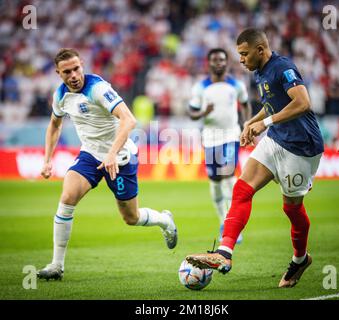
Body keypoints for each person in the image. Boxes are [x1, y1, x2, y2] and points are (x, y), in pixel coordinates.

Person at [186, 28, 324, 288]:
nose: (240, 59)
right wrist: (253, 120)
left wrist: (266, 123)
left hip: (302, 147)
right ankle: (224, 253)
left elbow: (303, 102)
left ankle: (300, 259)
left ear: (260, 50)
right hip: (277, 139)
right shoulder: (260, 71)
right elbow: (273, 103)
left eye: (244, 54)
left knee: (291, 209)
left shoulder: (283, 68)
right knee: (241, 189)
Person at [37, 48, 177, 281]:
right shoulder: (61, 95)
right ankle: (56, 265)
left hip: (120, 157)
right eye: (67, 72)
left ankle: (164, 220)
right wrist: (47, 159)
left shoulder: (98, 89)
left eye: (76, 69)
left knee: (130, 218)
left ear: (82, 65)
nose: (73, 75)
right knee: (67, 197)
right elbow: (54, 124)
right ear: (58, 73)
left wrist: (112, 154)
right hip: (91, 154)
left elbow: (129, 119)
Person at [188, 48, 251, 242]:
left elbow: (246, 104)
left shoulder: (237, 85)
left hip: (231, 135)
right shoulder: (200, 88)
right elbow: (192, 113)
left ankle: (234, 225)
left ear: (227, 62)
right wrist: (203, 112)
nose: (219, 63)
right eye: (215, 60)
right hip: (210, 138)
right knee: (215, 180)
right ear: (209, 63)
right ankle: (223, 219)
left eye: (222, 60)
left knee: (228, 173)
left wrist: (246, 124)